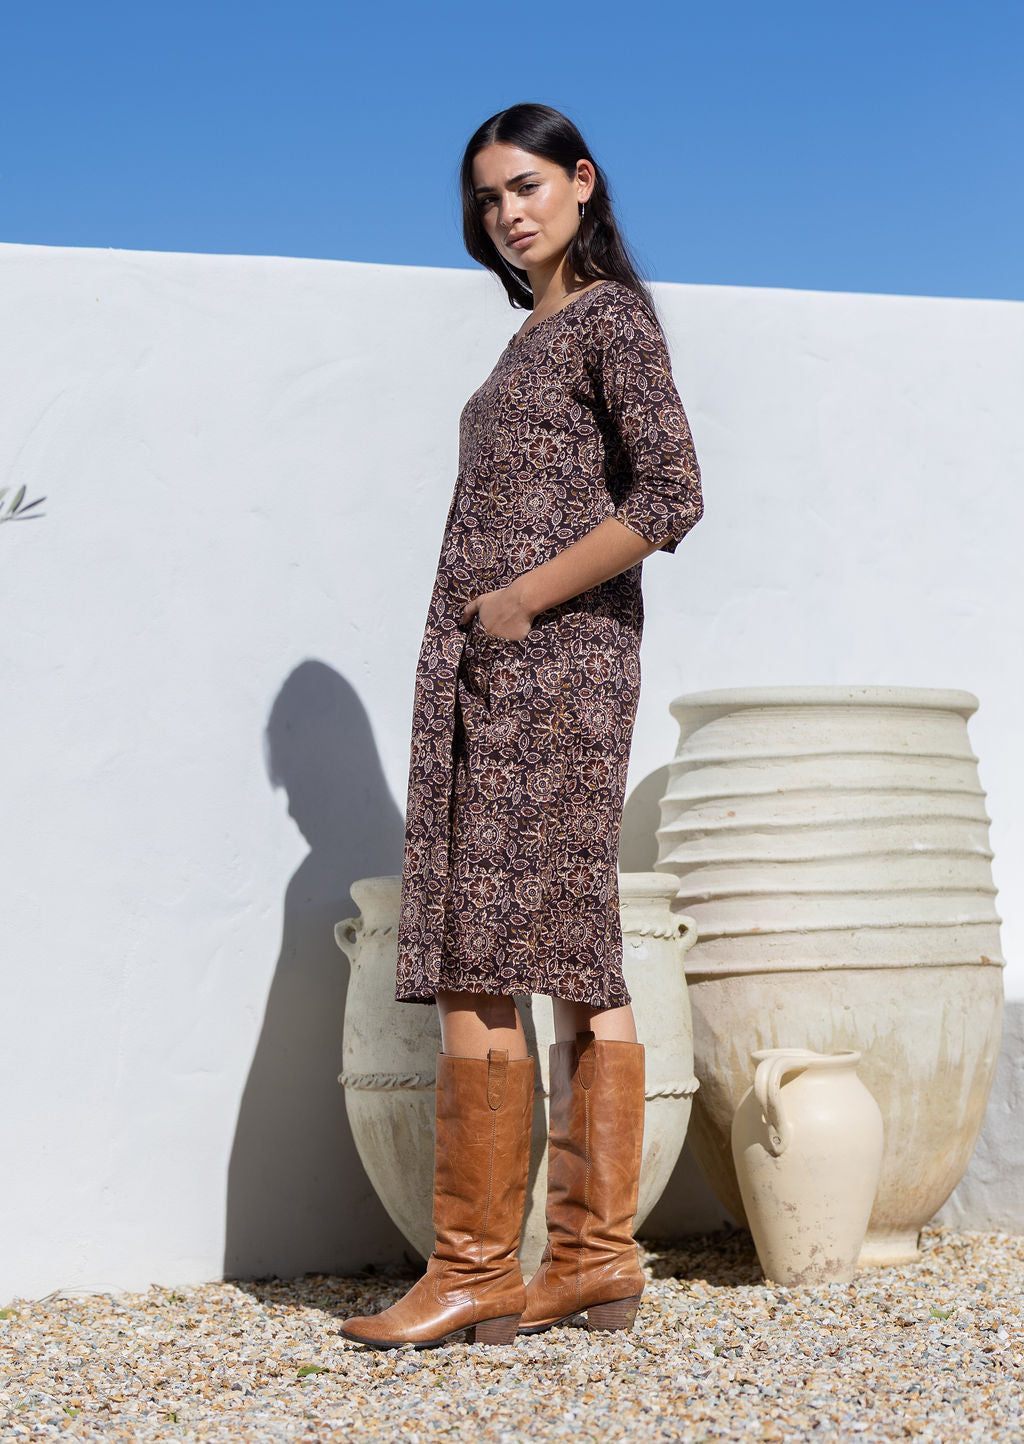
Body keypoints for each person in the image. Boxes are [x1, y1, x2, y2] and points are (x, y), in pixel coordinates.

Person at [341, 102, 703, 1350]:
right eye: (489, 197)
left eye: (528, 186)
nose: (508, 213)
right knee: (562, 944)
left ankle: (482, 1267)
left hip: (551, 670)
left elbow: (673, 493)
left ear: (583, 183)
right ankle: (592, 1258)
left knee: (482, 951)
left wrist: (516, 603)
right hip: (499, 673)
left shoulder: (611, 321)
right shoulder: (526, 343)